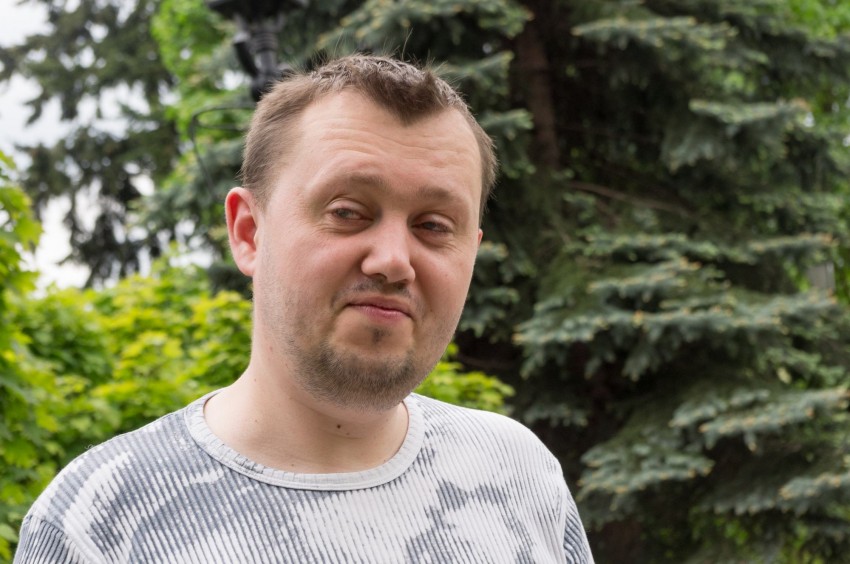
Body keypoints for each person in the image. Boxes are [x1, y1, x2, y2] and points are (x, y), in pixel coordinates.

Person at [15, 55, 593, 563]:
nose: (393, 261)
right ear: (249, 232)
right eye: (347, 212)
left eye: (434, 225)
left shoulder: (520, 474)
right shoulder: (97, 523)